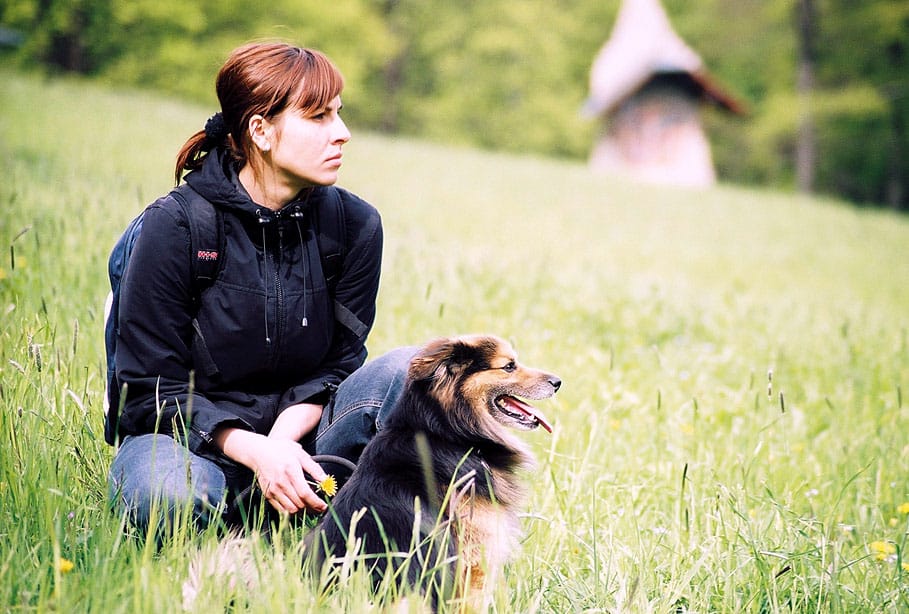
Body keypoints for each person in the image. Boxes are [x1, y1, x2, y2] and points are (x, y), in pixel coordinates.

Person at [107, 41, 414, 537]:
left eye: (339, 113)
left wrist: (281, 445)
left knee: (413, 373)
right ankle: (246, 516)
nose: (342, 132)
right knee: (165, 499)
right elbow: (148, 392)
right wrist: (256, 453)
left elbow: (341, 365)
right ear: (260, 130)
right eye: (319, 117)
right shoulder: (176, 226)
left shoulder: (355, 226)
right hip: (189, 441)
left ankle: (370, 520)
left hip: (304, 439)